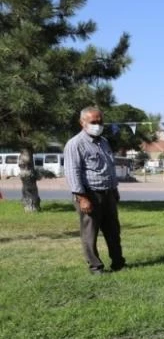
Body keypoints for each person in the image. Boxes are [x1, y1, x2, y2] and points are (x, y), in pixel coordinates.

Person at [64, 107, 125, 275]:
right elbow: (72, 172)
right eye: (93, 122)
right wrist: (82, 197)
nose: (97, 125)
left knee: (113, 230)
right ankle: (95, 267)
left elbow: (109, 168)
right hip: (89, 194)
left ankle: (118, 262)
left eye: (100, 122)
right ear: (82, 123)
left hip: (108, 193)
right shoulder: (75, 144)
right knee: (90, 233)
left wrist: (114, 189)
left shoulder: (103, 141)